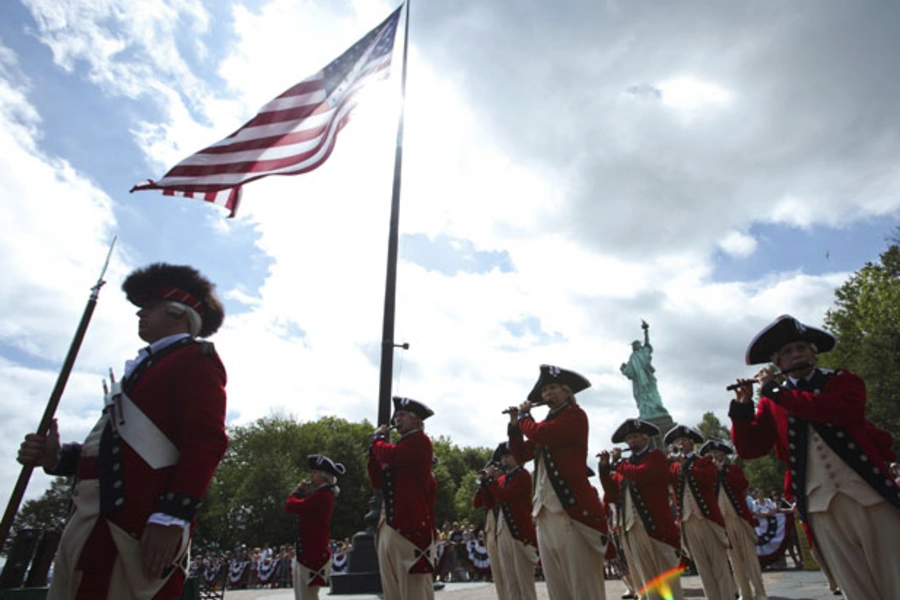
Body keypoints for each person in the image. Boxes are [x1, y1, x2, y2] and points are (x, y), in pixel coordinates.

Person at [17, 263, 228, 600]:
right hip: (88, 521)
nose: (140, 313)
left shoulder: (194, 359)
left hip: (133, 526)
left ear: (178, 312)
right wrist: (57, 457)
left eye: (150, 306)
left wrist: (172, 516)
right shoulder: (140, 370)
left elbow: (206, 442)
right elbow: (112, 453)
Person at [729, 314, 900, 600]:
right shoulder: (774, 400)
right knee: (854, 585)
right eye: (786, 353)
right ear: (777, 364)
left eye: (801, 348)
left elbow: (836, 411)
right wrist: (743, 409)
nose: (795, 355)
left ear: (813, 353)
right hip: (819, 504)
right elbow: (750, 449)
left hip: (868, 493)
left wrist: (774, 392)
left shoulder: (842, 381)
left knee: (894, 575)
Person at [506, 364, 608, 600]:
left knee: (583, 587)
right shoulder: (544, 425)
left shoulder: (575, 415)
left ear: (566, 392)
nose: (546, 395)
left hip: (570, 513)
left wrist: (524, 417)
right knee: (557, 589)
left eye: (552, 388)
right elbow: (521, 454)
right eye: (544, 392)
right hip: (545, 512)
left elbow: (542, 434)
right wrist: (514, 426)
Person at [598, 418, 684, 600]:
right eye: (628, 438)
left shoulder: (656, 457)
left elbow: (640, 474)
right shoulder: (625, 465)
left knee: (667, 582)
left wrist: (618, 463)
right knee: (646, 580)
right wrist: (605, 467)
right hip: (632, 528)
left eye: (635, 436)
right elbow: (611, 492)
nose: (631, 441)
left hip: (657, 528)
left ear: (645, 438)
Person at [367, 396, 436, 600]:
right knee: (392, 591)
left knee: (412, 591)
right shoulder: (398, 448)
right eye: (396, 415)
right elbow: (377, 481)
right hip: (389, 524)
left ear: (416, 420)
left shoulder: (419, 441)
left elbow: (392, 456)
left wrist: (377, 441)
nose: (397, 419)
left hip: (409, 529)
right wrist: (373, 453)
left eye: (402, 415)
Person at [665, 425, 735, 600]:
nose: (680, 444)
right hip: (688, 522)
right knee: (702, 567)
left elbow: (707, 479)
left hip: (707, 519)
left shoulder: (703, 462)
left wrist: (685, 464)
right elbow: (665, 482)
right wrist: (668, 461)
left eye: (683, 440)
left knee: (719, 565)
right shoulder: (673, 466)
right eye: (677, 441)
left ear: (691, 443)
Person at [700, 440, 768, 600]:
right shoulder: (709, 474)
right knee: (734, 560)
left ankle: (760, 592)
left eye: (716, 453)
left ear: (722, 454)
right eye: (710, 455)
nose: (713, 457)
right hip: (723, 522)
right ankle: (745, 593)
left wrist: (723, 471)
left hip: (739, 519)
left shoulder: (733, 470)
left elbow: (743, 484)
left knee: (750, 558)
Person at [285, 454, 346, 600]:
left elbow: (291, 506)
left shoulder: (322, 496)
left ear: (323, 476)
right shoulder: (321, 494)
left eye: (314, 473)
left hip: (312, 555)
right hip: (307, 553)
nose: (311, 476)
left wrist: (298, 492)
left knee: (307, 596)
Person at [484, 442, 538, 600]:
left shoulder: (522, 475)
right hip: (503, 531)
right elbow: (486, 503)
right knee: (510, 581)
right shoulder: (503, 479)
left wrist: (492, 481)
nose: (504, 460)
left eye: (508, 456)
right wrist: (485, 483)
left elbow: (504, 496)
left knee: (524, 581)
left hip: (519, 533)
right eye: (503, 457)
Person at [473, 453, 509, 600]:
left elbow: (499, 497)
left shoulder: (502, 480)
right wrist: (482, 484)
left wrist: (490, 480)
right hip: (490, 526)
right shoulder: (488, 485)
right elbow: (477, 503)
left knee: (506, 570)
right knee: (497, 572)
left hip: (501, 523)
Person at [619, 321, 669, 419]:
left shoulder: (644, 351)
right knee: (641, 395)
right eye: (633, 345)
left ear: (639, 345)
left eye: (636, 344)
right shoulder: (633, 357)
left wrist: (646, 331)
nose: (634, 346)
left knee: (652, 393)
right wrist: (624, 369)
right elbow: (630, 372)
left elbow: (647, 342)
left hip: (648, 376)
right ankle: (645, 412)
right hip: (639, 380)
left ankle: (656, 410)